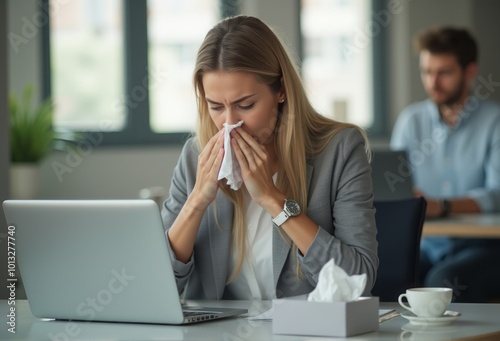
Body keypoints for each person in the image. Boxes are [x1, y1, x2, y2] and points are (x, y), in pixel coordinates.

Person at [161, 15, 378, 300]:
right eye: (216, 106)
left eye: (245, 105)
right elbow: (155, 286)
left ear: (281, 90)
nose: (229, 123)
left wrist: (273, 200)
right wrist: (196, 202)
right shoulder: (195, 157)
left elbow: (357, 278)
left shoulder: (339, 150)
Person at [391, 27, 500, 302]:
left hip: (484, 247)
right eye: (427, 72)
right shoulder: (410, 121)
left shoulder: (494, 122)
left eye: (444, 72)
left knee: (442, 282)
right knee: (384, 274)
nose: (433, 82)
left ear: (470, 71)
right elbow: (394, 186)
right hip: (427, 245)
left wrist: (443, 206)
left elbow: (497, 194)